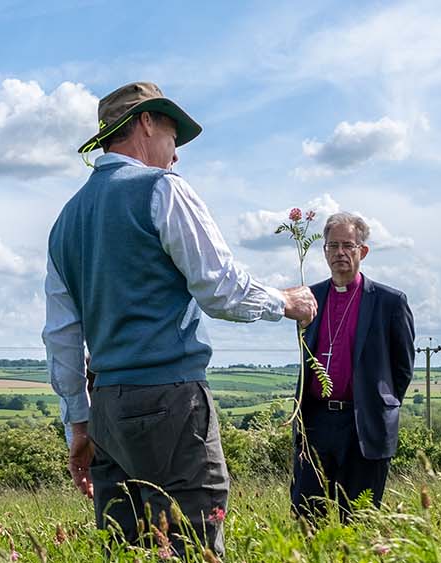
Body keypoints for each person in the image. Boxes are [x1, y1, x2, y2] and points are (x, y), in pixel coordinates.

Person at [43, 81, 317, 557]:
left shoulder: (65, 220)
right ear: (146, 122)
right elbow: (221, 289)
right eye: (173, 134)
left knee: (127, 549)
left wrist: (79, 425)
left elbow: (62, 337)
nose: (176, 154)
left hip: (107, 409)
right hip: (171, 399)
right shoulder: (163, 190)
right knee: (195, 540)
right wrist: (286, 301)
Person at [291, 211, 415, 523]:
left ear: (363, 251)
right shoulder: (310, 297)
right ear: (324, 252)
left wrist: (378, 402)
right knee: (307, 519)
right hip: (316, 423)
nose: (340, 253)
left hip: (364, 425)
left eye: (348, 245)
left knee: (358, 522)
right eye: (332, 246)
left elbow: (402, 368)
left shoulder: (389, 301)